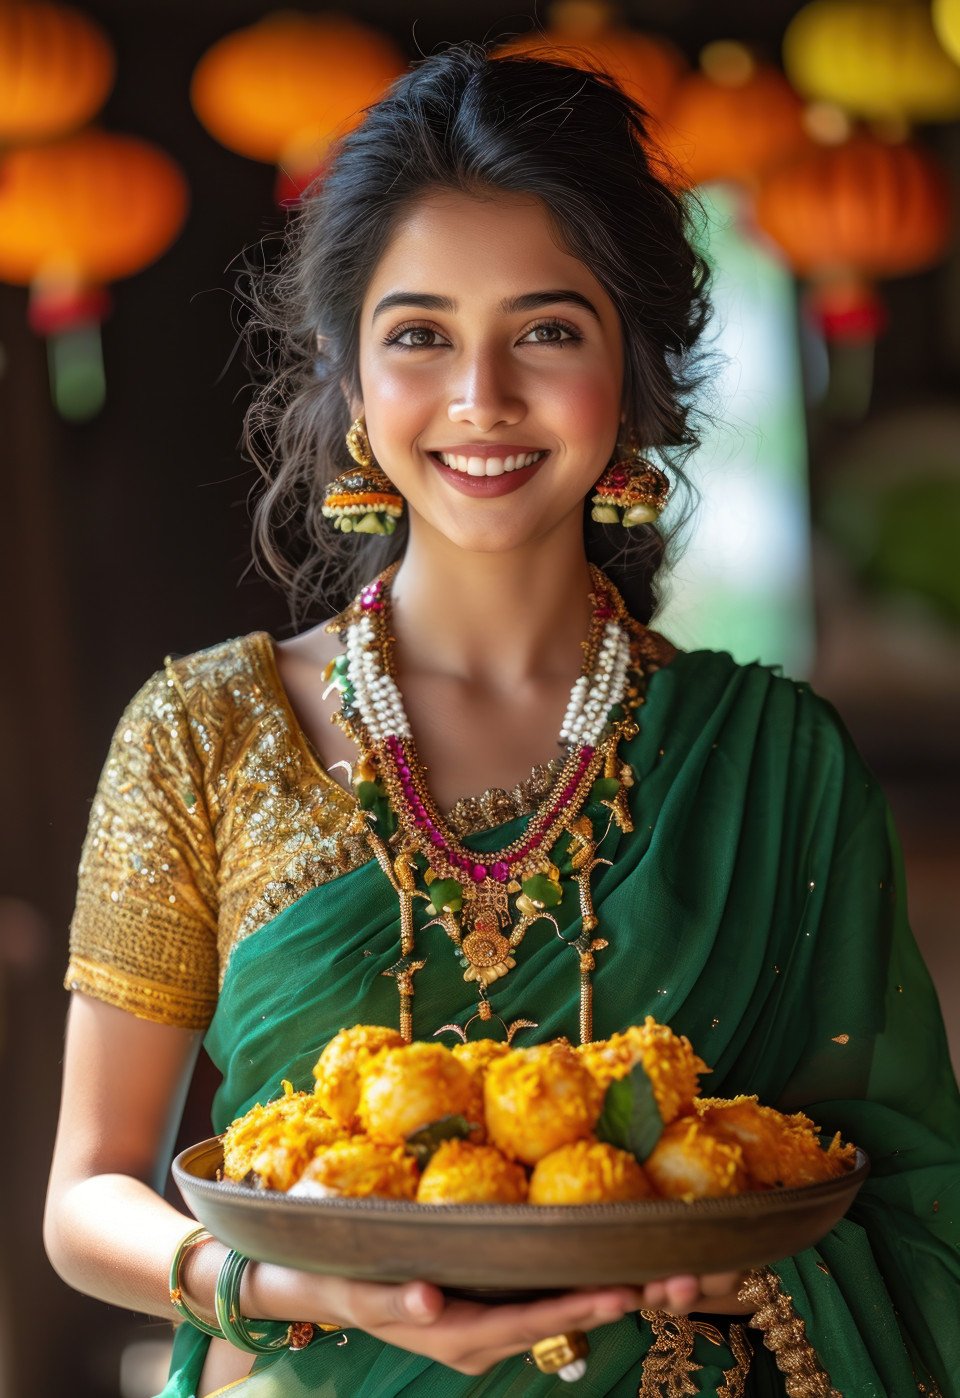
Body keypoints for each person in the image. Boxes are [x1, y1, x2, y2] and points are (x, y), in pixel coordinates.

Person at [44, 42, 960, 1398]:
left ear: (631, 367)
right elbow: (88, 1193)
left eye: (546, 328)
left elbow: (901, 1192)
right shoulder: (203, 733)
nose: (481, 397)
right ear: (351, 375)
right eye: (419, 333)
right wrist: (277, 1283)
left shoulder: (774, 762)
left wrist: (733, 1261)